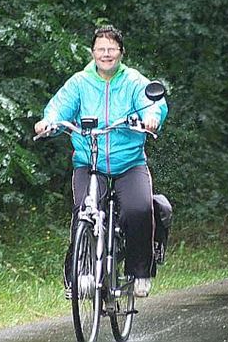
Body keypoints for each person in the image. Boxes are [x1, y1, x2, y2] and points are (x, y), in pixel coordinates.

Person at [34, 25, 168, 297]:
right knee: (83, 209)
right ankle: (77, 273)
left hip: (128, 162)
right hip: (89, 161)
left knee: (138, 209)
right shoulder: (80, 83)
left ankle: (139, 272)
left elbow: (154, 103)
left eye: (111, 49)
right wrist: (49, 122)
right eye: (100, 49)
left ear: (121, 52)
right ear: (93, 52)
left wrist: (153, 116)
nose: (106, 54)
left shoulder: (132, 81)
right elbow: (59, 107)